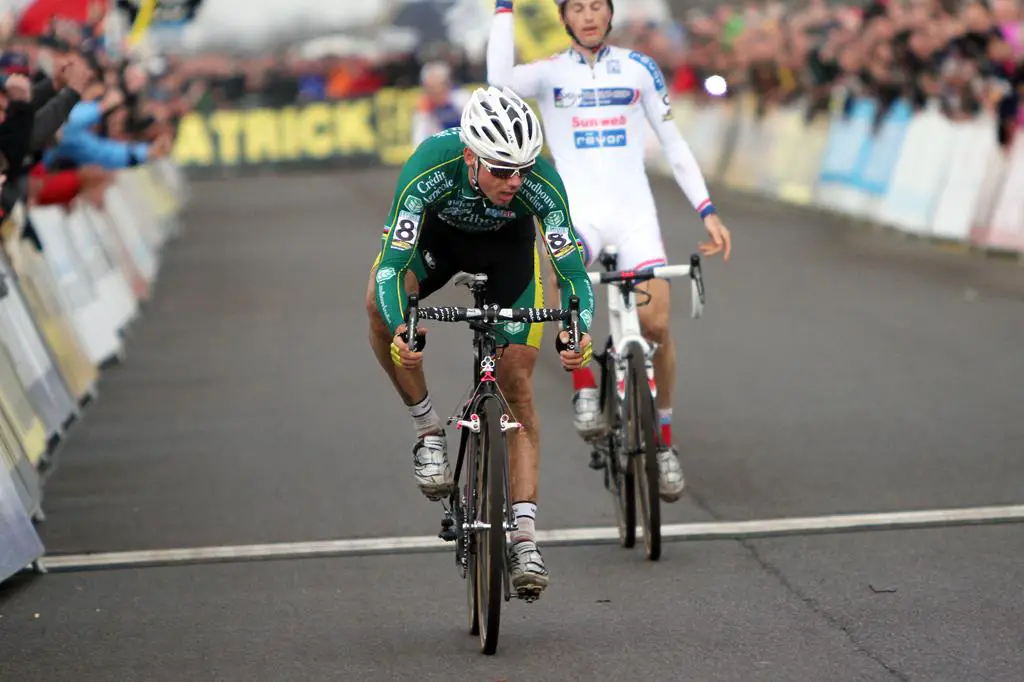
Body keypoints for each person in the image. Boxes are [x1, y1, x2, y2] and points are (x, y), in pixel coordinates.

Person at [486, 0, 733, 503]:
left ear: (610, 12)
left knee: (658, 326)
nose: (589, 15)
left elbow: (673, 142)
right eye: (577, 7)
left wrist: (707, 209)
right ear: (565, 18)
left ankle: (663, 444)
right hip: (581, 216)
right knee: (560, 270)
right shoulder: (550, 72)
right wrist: (504, 8)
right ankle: (583, 386)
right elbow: (497, 82)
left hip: (634, 213)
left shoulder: (639, 69)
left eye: (597, 5)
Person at [366, 86, 596, 600]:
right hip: (439, 248)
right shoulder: (430, 164)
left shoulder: (540, 182)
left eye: (522, 169)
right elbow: (390, 267)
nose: (514, 182)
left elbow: (574, 275)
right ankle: (428, 430)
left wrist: (576, 334)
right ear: (470, 156)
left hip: (509, 259)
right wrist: (405, 327)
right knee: (378, 312)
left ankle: (525, 536)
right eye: (500, 170)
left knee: (517, 386)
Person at [410, 61, 471, 147]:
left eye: (439, 84)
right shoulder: (424, 108)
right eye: (431, 87)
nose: (436, 91)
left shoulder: (462, 99)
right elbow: (419, 142)